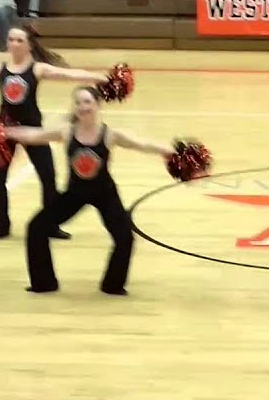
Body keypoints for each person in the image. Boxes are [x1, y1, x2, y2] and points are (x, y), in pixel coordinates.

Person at [0, 27, 114, 242]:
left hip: (33, 129)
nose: (14, 44)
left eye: (19, 40)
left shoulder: (37, 69)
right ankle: (2, 227)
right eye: (11, 40)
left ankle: (51, 224)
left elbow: (69, 74)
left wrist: (100, 78)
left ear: (28, 45)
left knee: (48, 177)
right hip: (3, 131)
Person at [9, 86, 173, 295]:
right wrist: (5, 131)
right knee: (36, 228)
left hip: (104, 193)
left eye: (87, 102)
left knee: (125, 238)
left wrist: (171, 152)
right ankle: (44, 283)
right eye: (78, 102)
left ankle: (112, 285)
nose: (82, 106)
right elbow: (35, 135)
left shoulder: (110, 134)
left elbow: (142, 144)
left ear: (97, 104)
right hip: (74, 194)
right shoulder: (67, 131)